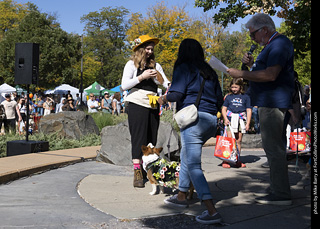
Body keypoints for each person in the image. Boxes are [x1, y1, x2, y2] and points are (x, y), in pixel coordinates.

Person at [227, 13, 294, 205]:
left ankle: (280, 194)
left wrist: (242, 73)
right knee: (272, 148)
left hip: (272, 103)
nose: (252, 38)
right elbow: (266, 71)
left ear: (264, 29)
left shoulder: (279, 43)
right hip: (269, 102)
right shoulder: (272, 45)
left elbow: (271, 75)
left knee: (274, 148)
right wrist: (251, 65)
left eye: (253, 34)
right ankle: (277, 189)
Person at [158, 38, 223, 224]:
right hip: (210, 120)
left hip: (193, 120)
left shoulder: (184, 68)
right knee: (187, 155)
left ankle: (211, 211)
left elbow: (177, 94)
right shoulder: (209, 71)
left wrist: (163, 98)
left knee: (194, 165)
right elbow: (219, 99)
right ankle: (181, 196)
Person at [121, 34, 170, 188]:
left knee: (151, 138)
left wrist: (159, 79)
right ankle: (137, 174)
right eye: (147, 49)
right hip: (136, 102)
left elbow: (167, 84)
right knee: (138, 138)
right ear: (140, 50)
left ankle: (149, 170)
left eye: (152, 49)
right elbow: (124, 85)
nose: (150, 52)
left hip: (153, 103)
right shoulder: (131, 65)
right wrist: (141, 77)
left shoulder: (157, 65)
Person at [221, 78, 252, 168]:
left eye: (236, 87)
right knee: (230, 140)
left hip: (240, 120)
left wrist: (248, 123)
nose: (234, 89)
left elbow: (249, 110)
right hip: (230, 120)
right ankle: (225, 160)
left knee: (238, 140)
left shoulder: (245, 97)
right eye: (232, 87)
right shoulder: (229, 97)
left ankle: (236, 159)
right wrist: (225, 118)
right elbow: (224, 109)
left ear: (240, 87)